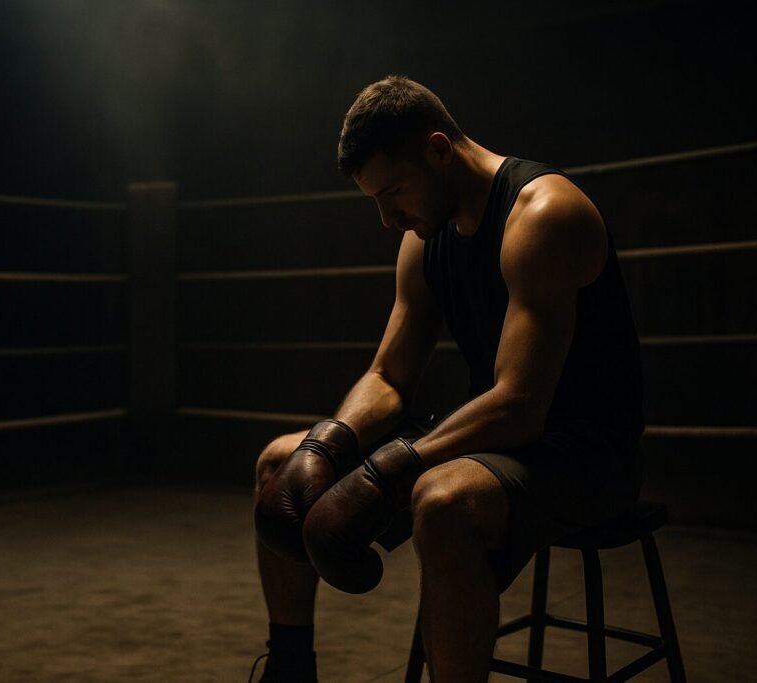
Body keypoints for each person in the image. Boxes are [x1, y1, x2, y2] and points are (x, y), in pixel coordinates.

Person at [250, 75, 645, 682]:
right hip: (498, 439)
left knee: (442, 501)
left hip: (583, 453)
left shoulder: (542, 215)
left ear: (439, 148)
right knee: (281, 464)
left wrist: (388, 470)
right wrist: (327, 442)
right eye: (375, 202)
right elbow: (389, 375)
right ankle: (291, 669)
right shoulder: (423, 236)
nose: (387, 219)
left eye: (394, 193)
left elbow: (520, 404)